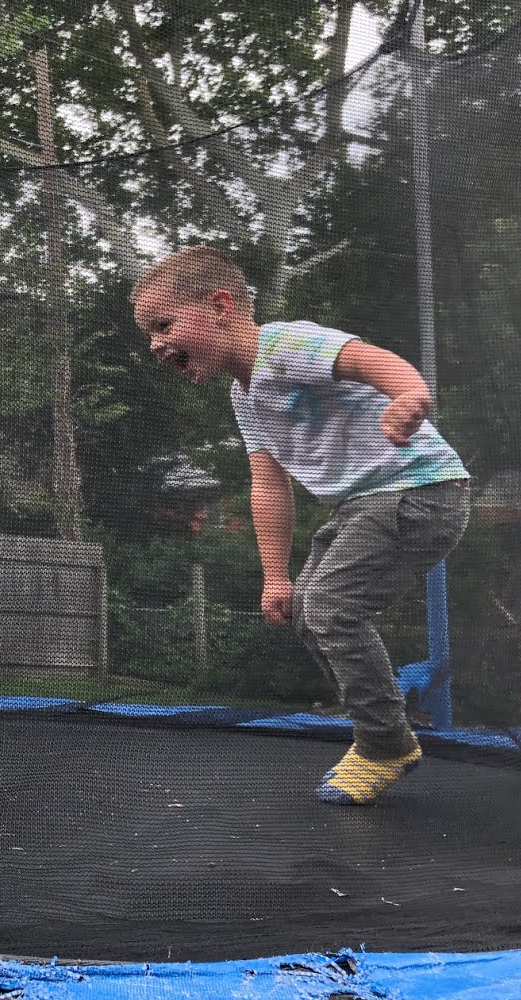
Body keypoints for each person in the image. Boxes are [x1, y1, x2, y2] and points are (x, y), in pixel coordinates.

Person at [131, 247, 470, 804]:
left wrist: (409, 394)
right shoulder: (245, 396)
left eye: (164, 324)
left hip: (418, 491)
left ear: (220, 306)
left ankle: (385, 743)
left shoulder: (285, 345)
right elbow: (269, 487)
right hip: (363, 505)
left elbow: (371, 361)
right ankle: (383, 730)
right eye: (150, 334)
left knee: (334, 609)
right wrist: (275, 576)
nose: (156, 344)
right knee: (310, 616)